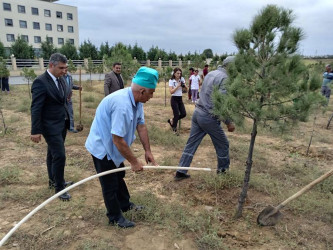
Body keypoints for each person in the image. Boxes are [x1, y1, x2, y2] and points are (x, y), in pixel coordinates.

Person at [85, 66, 159, 228]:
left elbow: (141, 126)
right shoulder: (122, 105)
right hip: (103, 147)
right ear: (141, 90)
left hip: (114, 146)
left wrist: (147, 150)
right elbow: (117, 140)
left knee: (119, 176)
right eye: (151, 92)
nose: (152, 96)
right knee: (109, 183)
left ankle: (125, 204)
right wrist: (134, 161)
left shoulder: (137, 101)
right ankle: (114, 217)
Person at [174, 56, 236, 181]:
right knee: (223, 144)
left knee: (191, 144)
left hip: (198, 113)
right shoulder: (225, 78)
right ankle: (223, 173)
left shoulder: (211, 73)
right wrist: (229, 122)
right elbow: (220, 102)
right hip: (209, 117)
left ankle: (181, 170)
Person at [30, 53, 73, 200]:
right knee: (59, 155)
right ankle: (60, 189)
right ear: (51, 65)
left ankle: (53, 180)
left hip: (61, 123)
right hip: (49, 125)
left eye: (66, 68)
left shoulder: (61, 80)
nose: (64, 71)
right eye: (61, 68)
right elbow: (36, 108)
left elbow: (62, 100)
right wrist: (35, 131)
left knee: (52, 154)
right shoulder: (40, 82)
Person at [167, 68, 187, 134]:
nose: (179, 74)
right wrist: (177, 86)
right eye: (177, 73)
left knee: (183, 114)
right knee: (176, 115)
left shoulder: (182, 79)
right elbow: (171, 91)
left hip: (180, 98)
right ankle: (174, 130)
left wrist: (185, 86)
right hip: (174, 99)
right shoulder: (171, 80)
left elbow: (186, 90)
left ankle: (171, 120)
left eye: (180, 73)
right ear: (174, 73)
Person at [63, 68, 82, 133]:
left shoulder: (69, 75)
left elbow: (71, 85)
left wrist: (77, 87)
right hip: (61, 99)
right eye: (63, 68)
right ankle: (62, 128)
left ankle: (71, 128)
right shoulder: (59, 77)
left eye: (66, 68)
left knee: (70, 113)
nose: (65, 70)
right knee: (62, 114)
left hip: (69, 99)